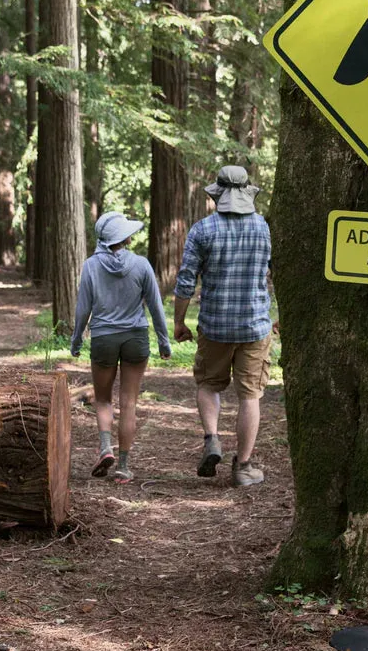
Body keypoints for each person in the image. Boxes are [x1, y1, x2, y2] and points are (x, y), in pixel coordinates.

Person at [172, 165, 272, 488]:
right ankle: (243, 467)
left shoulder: (202, 230)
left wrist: (179, 321)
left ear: (218, 196)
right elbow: (275, 271)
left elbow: (186, 281)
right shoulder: (262, 228)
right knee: (249, 395)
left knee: (208, 384)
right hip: (254, 327)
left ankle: (212, 438)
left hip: (214, 326)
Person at [71, 212, 172, 484]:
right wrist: (164, 341)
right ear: (124, 238)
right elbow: (155, 307)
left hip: (103, 338)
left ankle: (105, 449)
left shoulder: (91, 266)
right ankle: (124, 468)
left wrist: (77, 339)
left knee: (103, 399)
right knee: (129, 403)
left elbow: (83, 309)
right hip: (136, 338)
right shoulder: (141, 265)